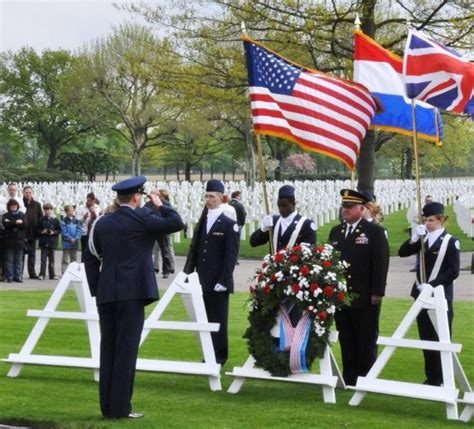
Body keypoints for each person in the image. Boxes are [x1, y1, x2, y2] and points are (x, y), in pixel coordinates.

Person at [84, 176, 184, 419]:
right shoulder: (143, 218)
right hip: (133, 293)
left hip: (107, 293)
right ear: (138, 197)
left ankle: (107, 406)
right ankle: (119, 408)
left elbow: (89, 258)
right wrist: (159, 203)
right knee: (126, 352)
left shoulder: (102, 223)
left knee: (108, 349)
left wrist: (98, 289)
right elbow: (176, 222)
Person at [328, 189, 390, 386]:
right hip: (341, 296)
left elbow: (380, 263)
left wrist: (377, 292)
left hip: (364, 295)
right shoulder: (336, 232)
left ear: (362, 209)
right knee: (347, 339)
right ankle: (349, 378)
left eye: (349, 206)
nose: (344, 210)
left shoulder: (374, 232)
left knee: (366, 340)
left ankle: (366, 380)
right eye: (343, 206)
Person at [398, 201, 460, 386]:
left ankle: (443, 378)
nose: (427, 223)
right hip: (421, 296)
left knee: (441, 337)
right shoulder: (423, 239)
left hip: (440, 296)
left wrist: (432, 285)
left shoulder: (450, 241)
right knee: (425, 338)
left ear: (441, 220)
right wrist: (415, 238)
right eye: (425, 220)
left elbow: (453, 271)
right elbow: (402, 253)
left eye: (431, 220)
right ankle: (431, 377)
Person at [183, 179, 239, 365]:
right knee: (205, 319)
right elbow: (198, 250)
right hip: (203, 278)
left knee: (219, 320)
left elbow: (230, 256)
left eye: (212, 196)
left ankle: (220, 355)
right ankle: (209, 354)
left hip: (218, 280)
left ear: (222, 198)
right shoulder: (204, 220)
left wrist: (223, 280)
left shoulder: (229, 224)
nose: (208, 199)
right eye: (206, 196)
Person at [250, 184, 316, 252]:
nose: (281, 209)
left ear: (293, 204)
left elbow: (310, 251)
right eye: (279, 206)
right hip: (274, 262)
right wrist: (263, 229)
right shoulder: (274, 221)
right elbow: (253, 242)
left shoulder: (306, 224)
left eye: (284, 205)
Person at [145, 189, 176, 278]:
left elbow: (170, 215)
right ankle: (151, 268)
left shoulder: (165, 204)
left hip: (163, 229)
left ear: (158, 196)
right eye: (150, 196)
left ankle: (166, 270)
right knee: (149, 250)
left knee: (165, 250)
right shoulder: (148, 204)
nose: (151, 197)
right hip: (151, 229)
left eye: (153, 196)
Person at [1, 199, 27, 283]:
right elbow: (6, 224)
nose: (14, 207)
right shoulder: (5, 215)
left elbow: (24, 225)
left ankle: (18, 276)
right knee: (9, 260)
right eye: (12, 205)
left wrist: (11, 223)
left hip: (19, 241)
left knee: (19, 260)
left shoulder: (22, 214)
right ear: (9, 206)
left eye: (15, 205)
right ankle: (10, 276)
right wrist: (16, 222)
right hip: (9, 241)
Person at [23, 185, 43, 279]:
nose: (28, 194)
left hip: (33, 233)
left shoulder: (37, 204)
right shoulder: (20, 203)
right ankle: (19, 273)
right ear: (23, 193)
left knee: (32, 254)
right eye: (26, 192)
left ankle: (32, 273)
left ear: (32, 193)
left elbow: (40, 218)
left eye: (30, 192)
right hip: (22, 233)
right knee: (21, 254)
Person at [37, 203, 61, 280]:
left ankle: (52, 274)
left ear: (52, 210)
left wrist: (53, 232)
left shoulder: (55, 220)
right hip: (44, 242)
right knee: (43, 260)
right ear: (44, 210)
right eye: (46, 210)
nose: (48, 211)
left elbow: (59, 230)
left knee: (52, 260)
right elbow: (37, 229)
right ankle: (42, 274)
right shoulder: (41, 219)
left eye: (49, 209)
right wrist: (42, 231)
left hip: (52, 241)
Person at [78, 192, 100, 261]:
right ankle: (83, 266)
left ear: (93, 201)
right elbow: (78, 220)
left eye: (90, 201)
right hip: (84, 232)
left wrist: (92, 212)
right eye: (87, 200)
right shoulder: (81, 207)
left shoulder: (97, 208)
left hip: (93, 232)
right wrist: (84, 218)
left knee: (92, 250)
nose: (88, 202)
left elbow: (97, 219)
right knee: (84, 251)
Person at [60, 205, 82, 274]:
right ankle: (64, 272)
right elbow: (64, 232)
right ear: (66, 212)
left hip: (75, 242)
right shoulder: (63, 221)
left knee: (74, 258)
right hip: (66, 242)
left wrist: (76, 238)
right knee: (65, 259)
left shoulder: (76, 220)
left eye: (73, 210)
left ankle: (73, 272)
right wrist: (70, 239)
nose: (72, 212)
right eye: (70, 210)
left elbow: (79, 230)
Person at [229, 191, 247, 264]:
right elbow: (243, 216)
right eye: (240, 196)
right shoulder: (239, 205)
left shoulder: (228, 204)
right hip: (237, 226)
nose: (241, 197)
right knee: (236, 243)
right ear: (236, 196)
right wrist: (241, 224)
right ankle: (235, 258)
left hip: (228, 226)